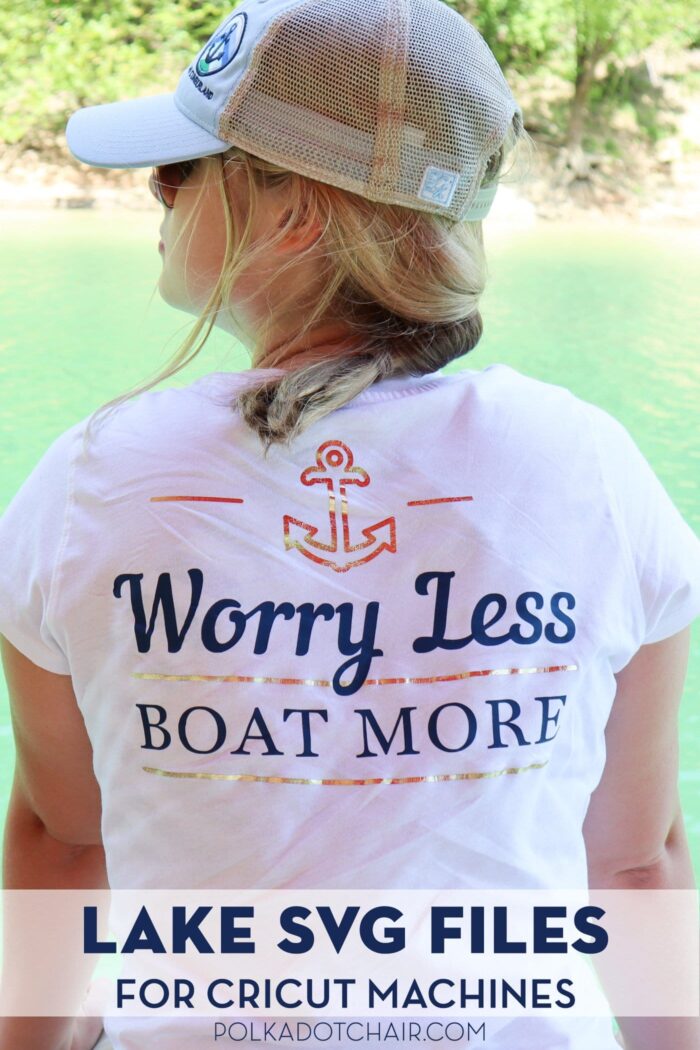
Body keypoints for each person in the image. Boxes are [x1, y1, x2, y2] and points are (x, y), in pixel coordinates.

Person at [0, 1, 699, 1048]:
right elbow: (634, 864)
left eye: (190, 164)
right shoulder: (588, 465)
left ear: (295, 215)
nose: (159, 187)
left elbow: (63, 842)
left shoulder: (94, 480)